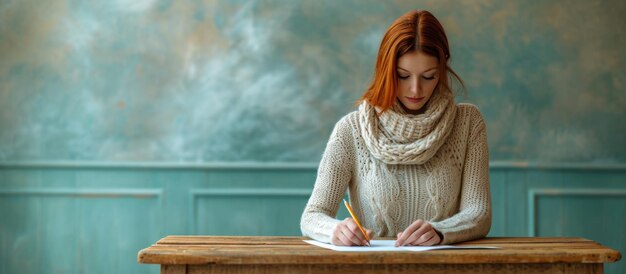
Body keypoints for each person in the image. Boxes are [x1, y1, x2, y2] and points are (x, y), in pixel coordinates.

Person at [300, 10, 491, 246]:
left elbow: (478, 213)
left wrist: (440, 231)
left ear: (442, 70)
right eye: (402, 76)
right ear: (386, 71)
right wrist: (336, 230)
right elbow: (313, 215)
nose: (415, 90)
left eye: (429, 77)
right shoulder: (351, 130)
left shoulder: (468, 123)